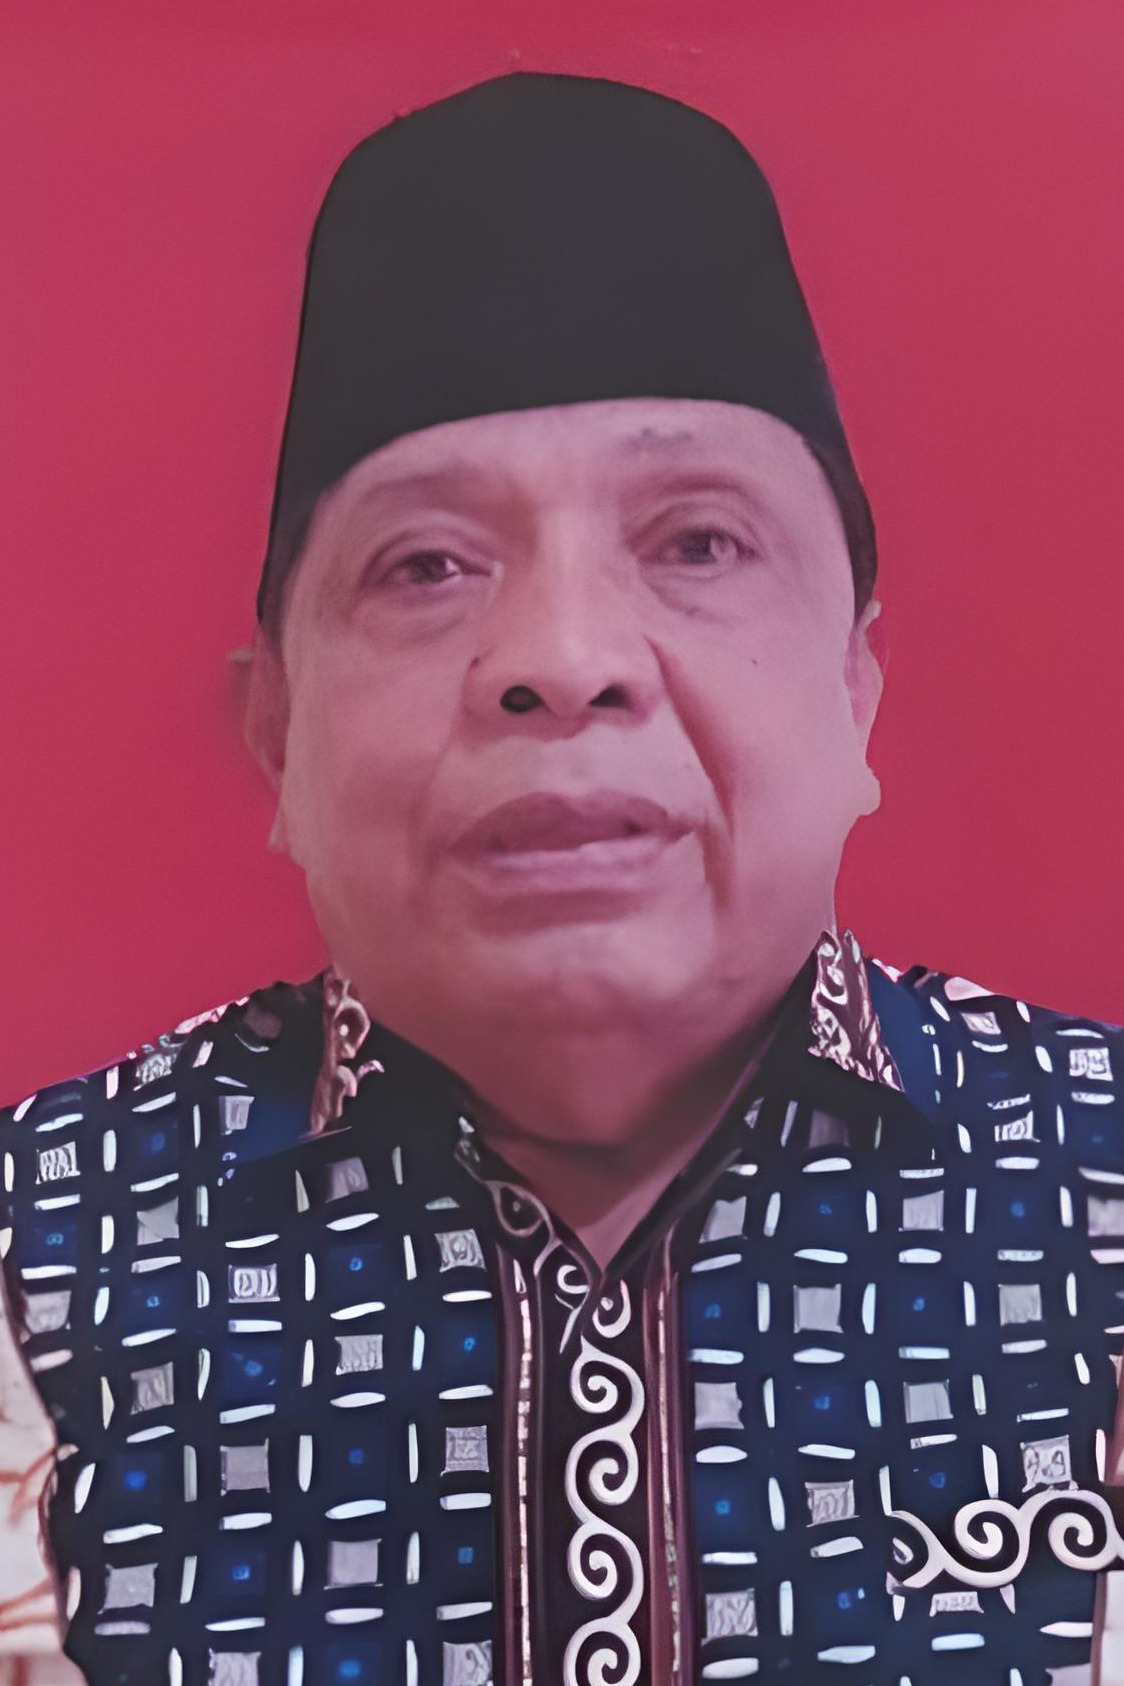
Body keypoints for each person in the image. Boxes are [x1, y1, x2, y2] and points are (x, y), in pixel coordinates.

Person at [2, 70, 1123, 1686]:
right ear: (279, 729)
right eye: (426, 563)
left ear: (857, 688)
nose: (564, 654)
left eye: (697, 542)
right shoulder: (29, 1259)